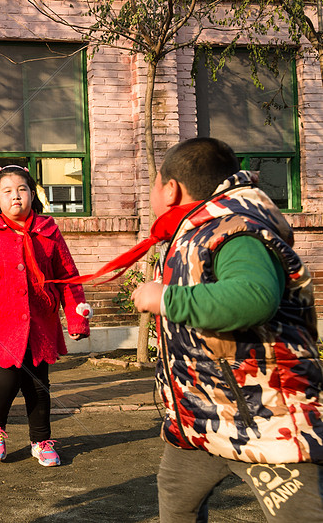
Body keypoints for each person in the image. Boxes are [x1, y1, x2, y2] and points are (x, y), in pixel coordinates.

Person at [130, 137, 323, 522]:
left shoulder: (237, 231)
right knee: (176, 505)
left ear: (170, 190)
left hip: (265, 425)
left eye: (153, 183)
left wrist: (166, 298)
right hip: (198, 422)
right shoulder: (190, 233)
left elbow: (253, 298)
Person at [0, 164, 90, 465]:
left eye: (22, 189)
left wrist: (76, 318)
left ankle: (41, 440)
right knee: (4, 382)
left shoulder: (48, 230)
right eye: (7, 191)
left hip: (39, 323)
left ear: (32, 193)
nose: (16, 196)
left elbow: (67, 276)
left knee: (38, 386)